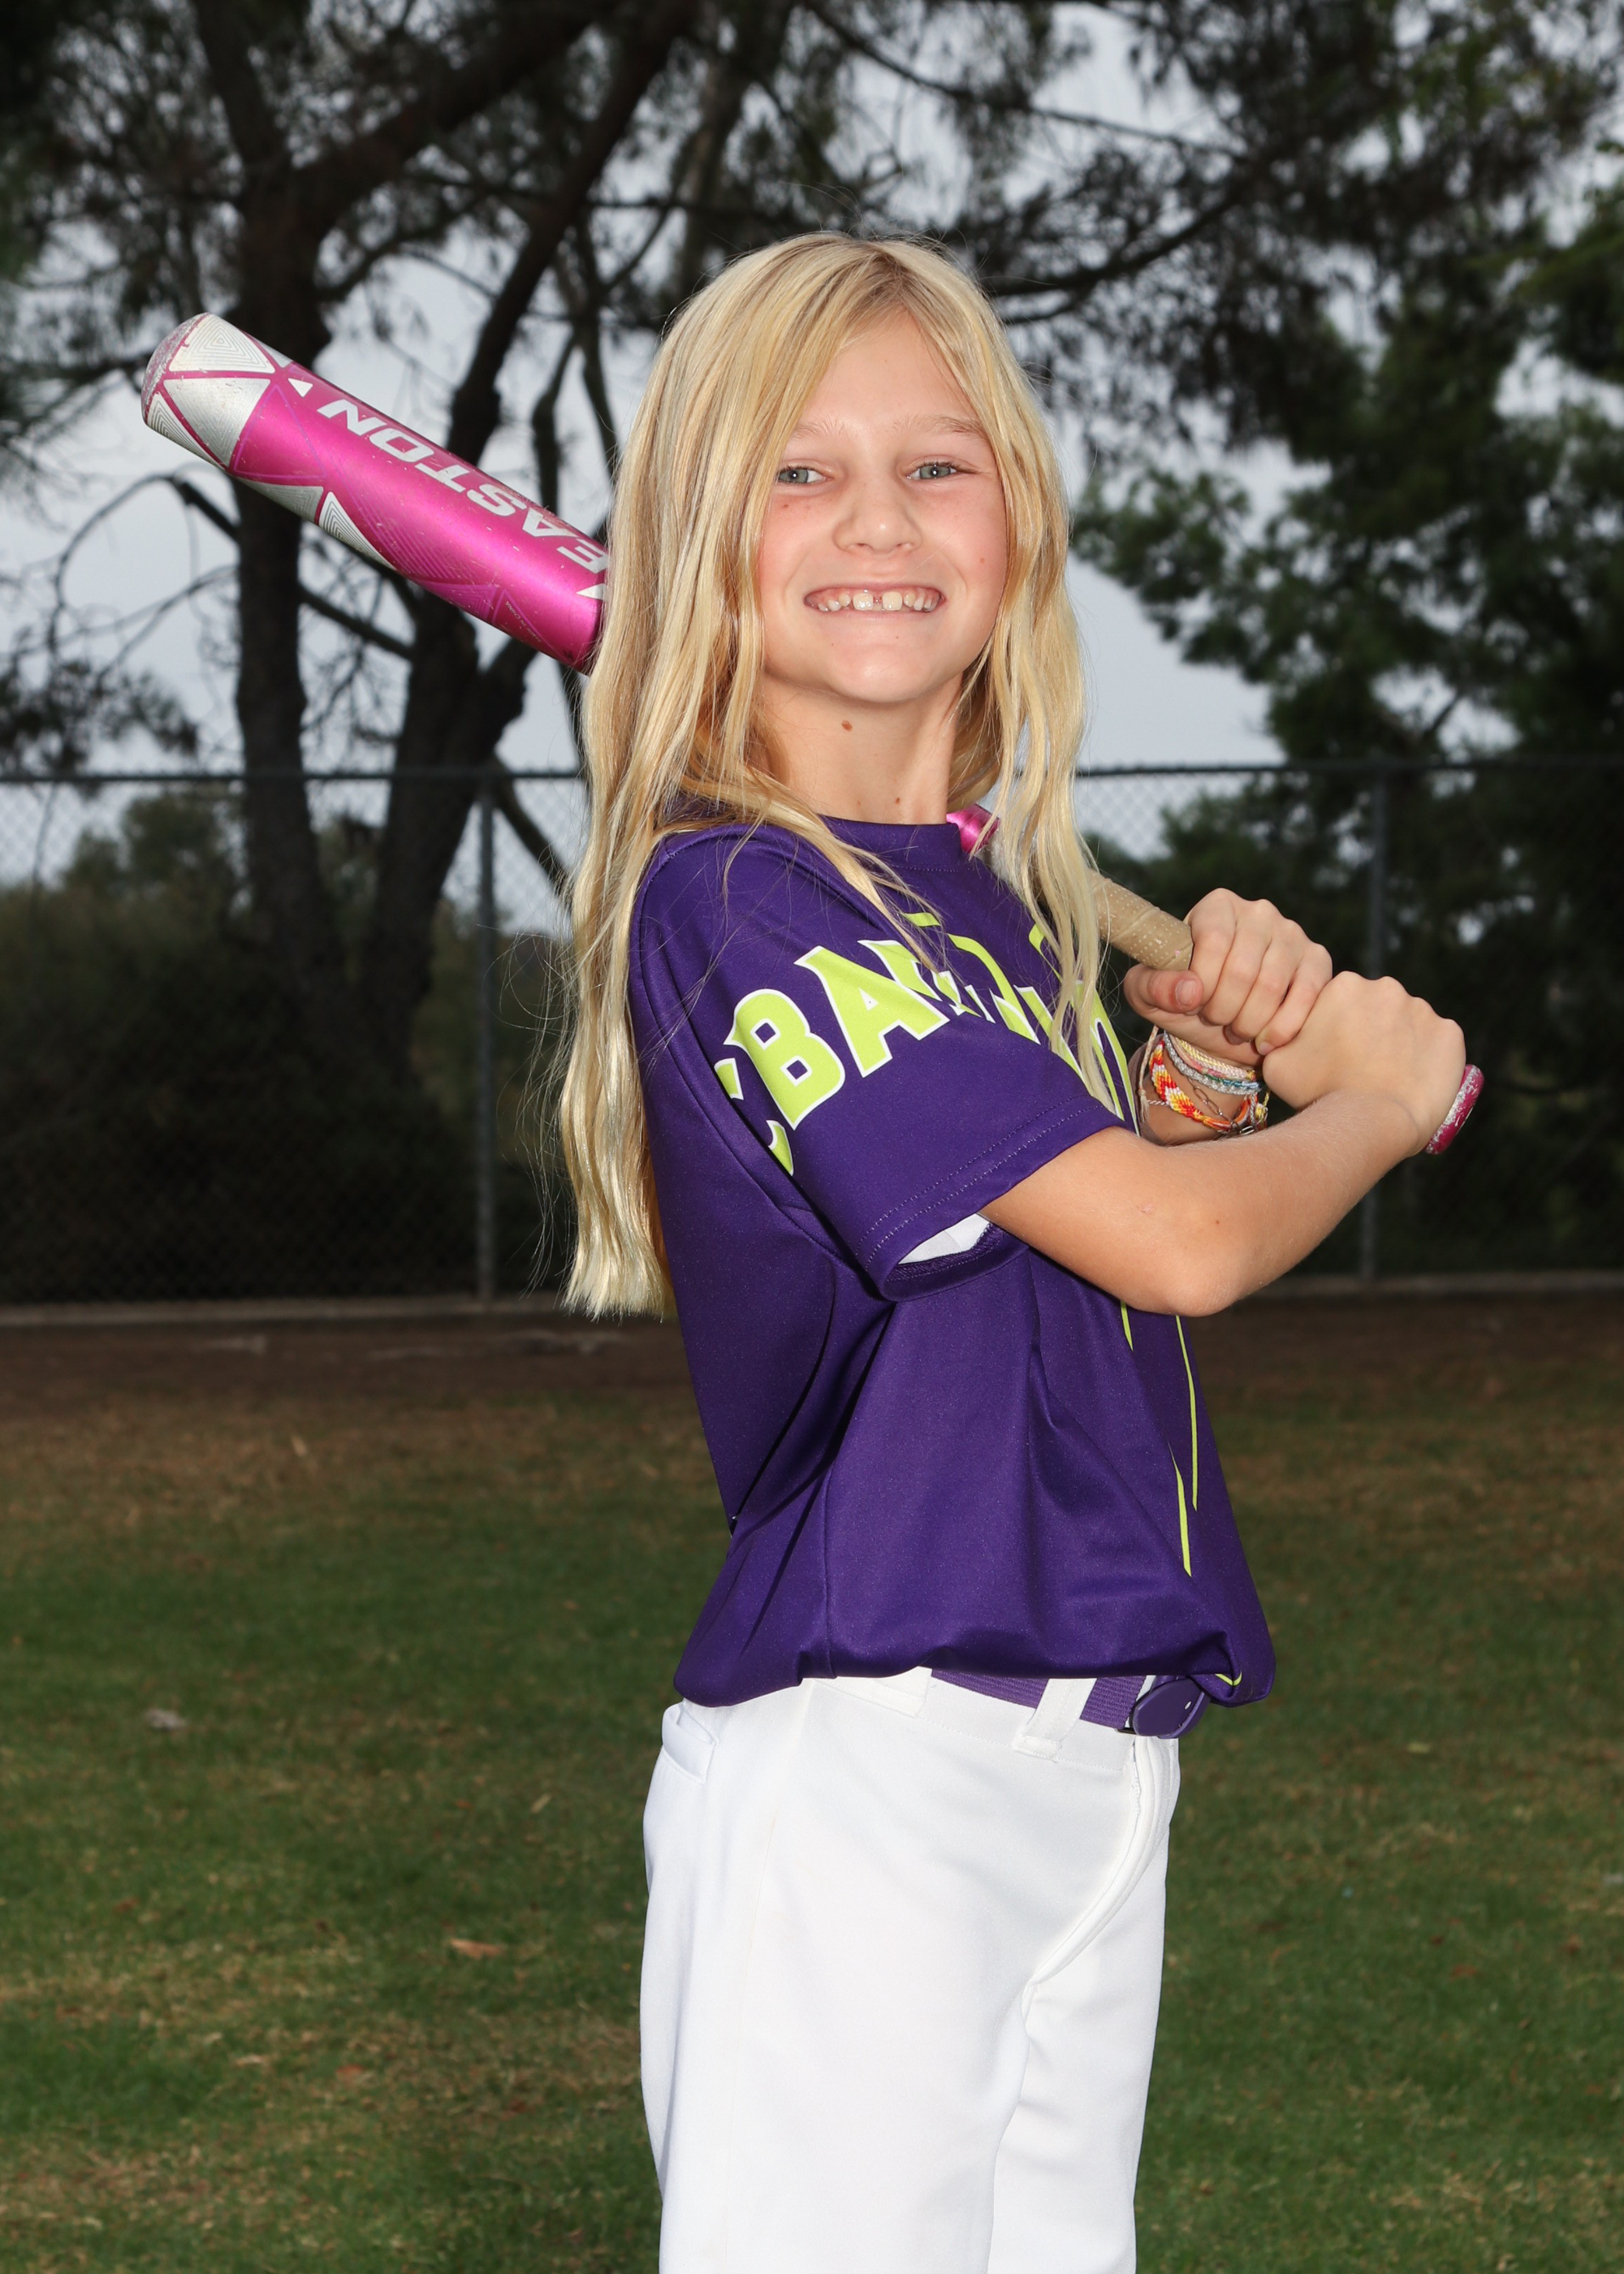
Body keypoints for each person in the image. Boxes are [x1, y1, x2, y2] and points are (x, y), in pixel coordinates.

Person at [559, 236, 1466, 2274]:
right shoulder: (741, 900)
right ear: (704, 537)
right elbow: (1174, 1250)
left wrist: (1207, 1079)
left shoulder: (990, 909)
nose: (875, 521)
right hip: (875, 1761)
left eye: (935, 466)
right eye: (798, 473)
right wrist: (1369, 1107)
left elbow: (1075, 1259)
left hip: (1086, 1762)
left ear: (1021, 525)